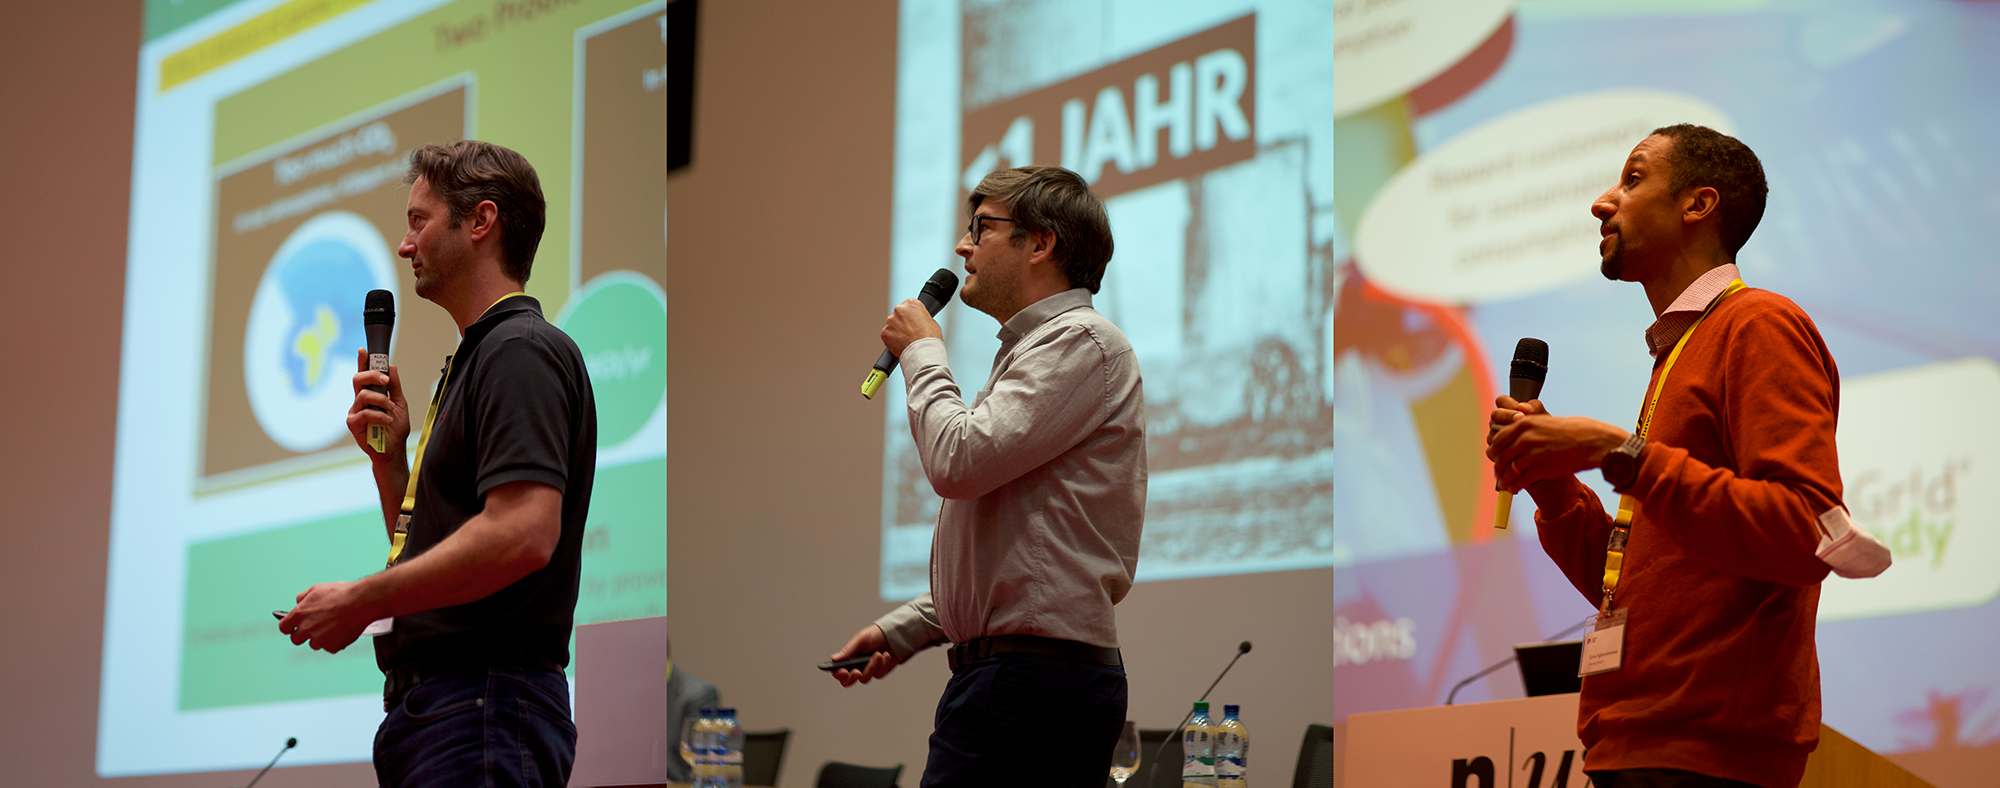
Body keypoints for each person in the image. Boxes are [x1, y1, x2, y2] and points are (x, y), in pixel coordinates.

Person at [1485, 125, 1890, 788]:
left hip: (1708, 751)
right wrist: (1555, 488)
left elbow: (1804, 531)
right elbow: (1644, 585)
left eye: (1633, 178)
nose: (1601, 201)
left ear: (1697, 205)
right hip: (1632, 741)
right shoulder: (1679, 351)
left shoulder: (1757, 324)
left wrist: (1612, 449)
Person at [277, 140, 597, 788]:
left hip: (482, 705)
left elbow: (524, 533)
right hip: (449, 712)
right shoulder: (479, 359)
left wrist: (360, 600)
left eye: (418, 221)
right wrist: (390, 466)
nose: (404, 245)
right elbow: (444, 548)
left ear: (481, 221)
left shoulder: (519, 350)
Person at [826, 165, 1145, 786]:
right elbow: (1021, 557)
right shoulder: (1040, 349)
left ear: (1040, 242)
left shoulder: (1083, 342)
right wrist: (903, 631)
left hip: (1031, 684)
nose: (961, 247)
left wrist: (922, 350)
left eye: (981, 228)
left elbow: (958, 461)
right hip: (1019, 679)